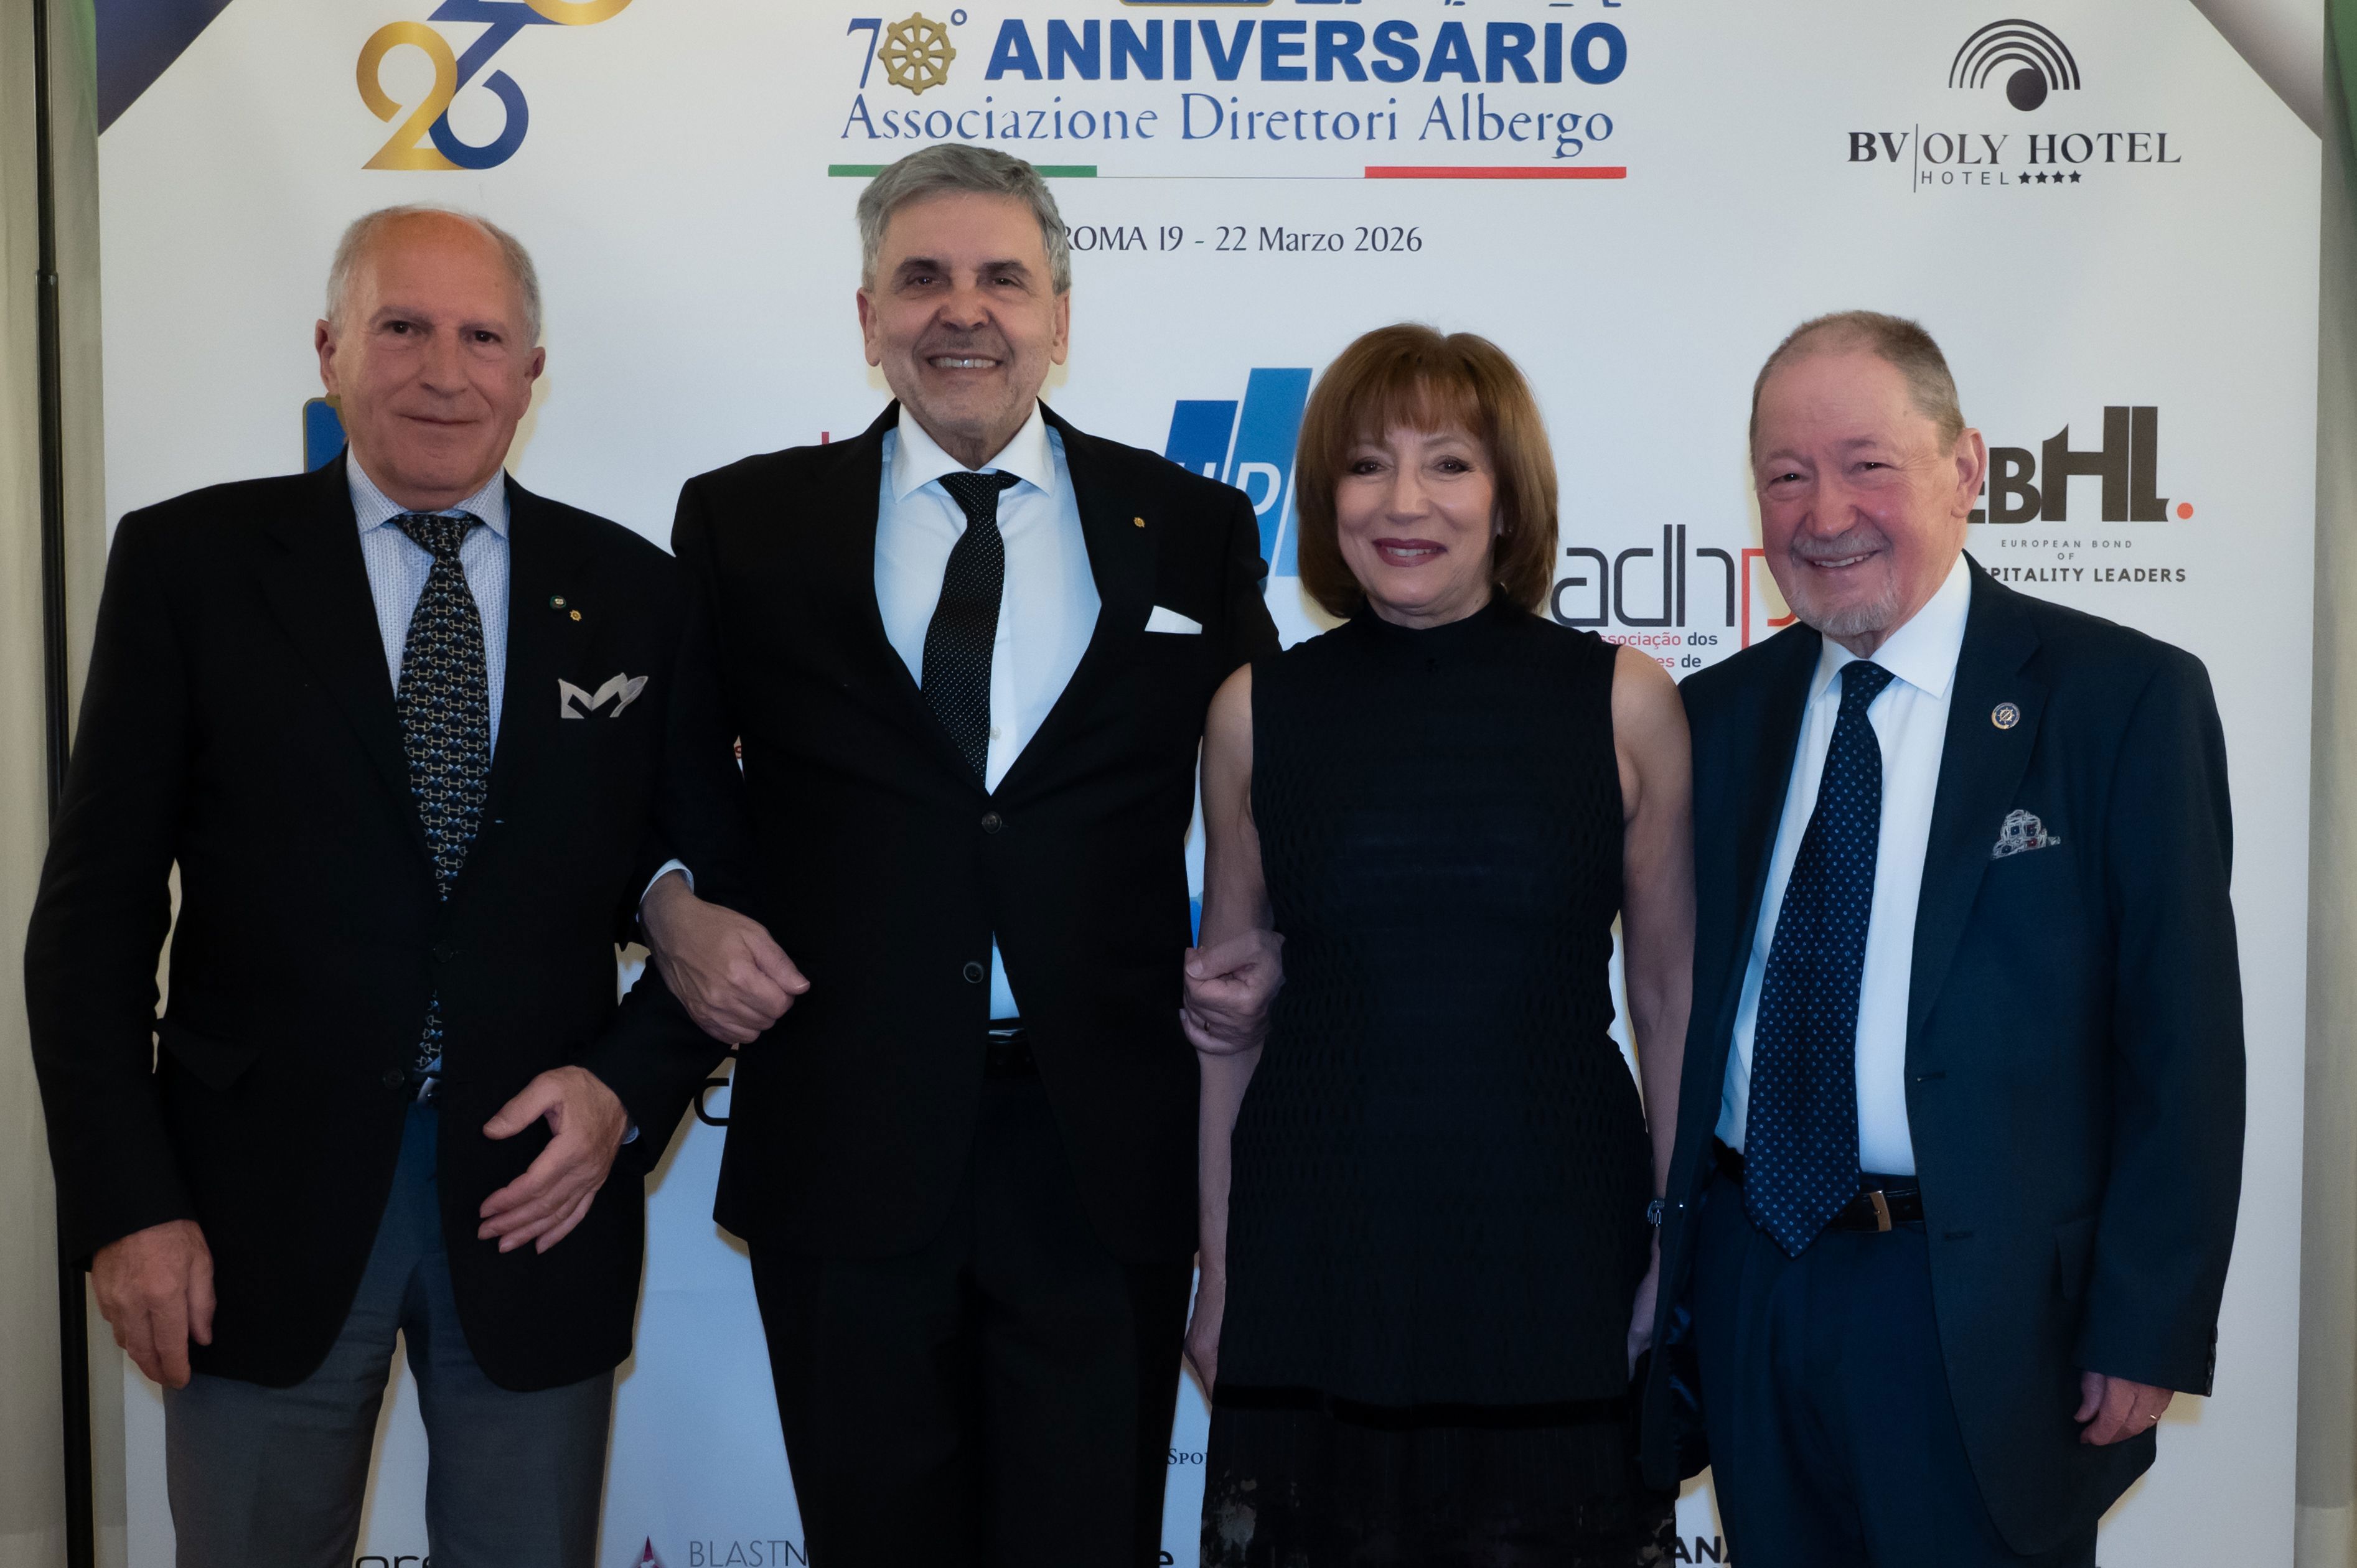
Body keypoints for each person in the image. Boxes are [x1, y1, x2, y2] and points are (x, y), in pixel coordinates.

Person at [24, 206, 739, 1568]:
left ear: (533, 372)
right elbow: (91, 926)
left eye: (483, 338)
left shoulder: (637, 594)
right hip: (248, 1208)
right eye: (402, 327)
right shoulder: (189, 566)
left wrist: (623, 1094)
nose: (443, 373)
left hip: (540, 1200)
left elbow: (710, 893)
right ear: (330, 350)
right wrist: (128, 1205)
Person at [635, 143, 1282, 1566]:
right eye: (922, 278)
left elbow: (1278, 783)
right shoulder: (746, 521)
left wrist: (1275, 951)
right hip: (844, 1139)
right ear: (868, 316)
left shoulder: (1189, 527)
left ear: (1059, 314)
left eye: (1002, 277)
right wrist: (668, 903)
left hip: (1099, 1148)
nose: (962, 310)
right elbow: (659, 777)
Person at [1638, 312, 2246, 1566]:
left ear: (1965, 468)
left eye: (1866, 464)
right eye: (1786, 476)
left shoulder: (2121, 700)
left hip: (1982, 1310)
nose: (1824, 515)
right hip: (1756, 1283)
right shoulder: (1715, 717)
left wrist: (2144, 1322)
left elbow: (2182, 1040)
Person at [1184, 324, 1693, 1566]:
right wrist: (1221, 1268)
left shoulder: (1624, 701)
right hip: (1316, 1246)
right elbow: (1228, 1015)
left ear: (1508, 498)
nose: (1404, 502)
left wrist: (1676, 1250)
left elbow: (1669, 995)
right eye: (1367, 465)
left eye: (1449, 463)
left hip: (1555, 1244)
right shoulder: (1255, 711)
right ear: (1327, 499)